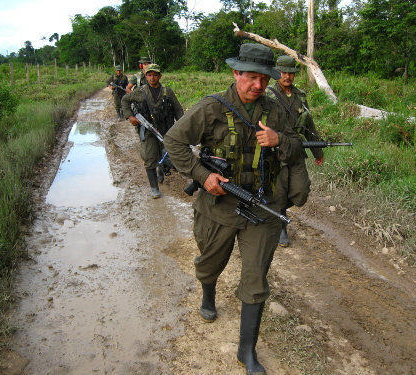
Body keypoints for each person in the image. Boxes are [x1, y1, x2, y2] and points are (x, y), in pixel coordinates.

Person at [164, 43, 302, 375]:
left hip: (263, 206)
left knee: (256, 279)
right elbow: (174, 140)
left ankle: (246, 352)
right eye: (251, 77)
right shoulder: (211, 108)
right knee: (209, 262)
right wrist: (201, 174)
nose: (258, 85)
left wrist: (279, 140)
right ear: (236, 72)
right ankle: (208, 295)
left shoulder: (277, 111)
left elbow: (299, 146)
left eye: (264, 80)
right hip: (219, 206)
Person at [266, 55, 325, 247]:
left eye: (290, 73)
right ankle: (281, 225)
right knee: (280, 192)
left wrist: (318, 151)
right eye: (283, 72)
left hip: (297, 151)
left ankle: (272, 209)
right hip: (276, 153)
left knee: (300, 192)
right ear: (277, 73)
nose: (286, 76)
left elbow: (309, 124)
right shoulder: (268, 94)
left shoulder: (300, 96)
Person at [121, 64, 184, 199]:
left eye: (155, 75)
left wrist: (184, 125)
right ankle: (154, 188)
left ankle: (161, 172)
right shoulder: (139, 91)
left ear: (160, 76)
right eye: (149, 75)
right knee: (150, 157)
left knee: (167, 154)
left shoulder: (167, 91)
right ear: (146, 76)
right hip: (148, 131)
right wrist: (130, 116)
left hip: (167, 130)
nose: (152, 77)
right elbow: (125, 100)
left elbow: (178, 109)